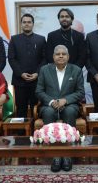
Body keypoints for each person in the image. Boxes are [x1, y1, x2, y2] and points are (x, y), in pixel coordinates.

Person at [35, 45, 84, 173]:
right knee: (49, 112)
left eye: (63, 54)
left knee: (69, 111)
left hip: (70, 105)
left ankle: (67, 155)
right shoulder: (44, 70)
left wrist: (65, 100)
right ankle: (55, 156)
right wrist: (51, 101)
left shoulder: (76, 70)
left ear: (68, 56)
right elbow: (39, 91)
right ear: (53, 57)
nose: (61, 56)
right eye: (58, 54)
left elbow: (80, 92)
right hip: (48, 105)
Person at [8, 13, 46, 117]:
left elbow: (44, 59)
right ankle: (21, 133)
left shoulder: (41, 39)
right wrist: (21, 73)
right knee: (21, 108)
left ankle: (37, 132)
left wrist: (37, 74)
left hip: (37, 80)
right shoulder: (14, 39)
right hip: (20, 80)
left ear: (33, 24)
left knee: (37, 108)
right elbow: (11, 58)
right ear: (21, 24)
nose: (26, 24)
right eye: (24, 22)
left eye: (29, 22)